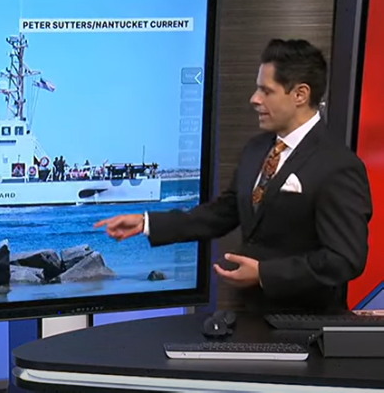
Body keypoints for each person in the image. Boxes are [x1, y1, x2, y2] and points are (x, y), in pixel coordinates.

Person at [94, 39, 372, 314]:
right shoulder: (256, 149)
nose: (255, 99)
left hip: (305, 325)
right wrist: (147, 223)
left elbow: (345, 259)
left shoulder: (338, 165)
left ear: (300, 94)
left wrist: (265, 273)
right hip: (249, 316)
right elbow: (221, 213)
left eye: (266, 91)